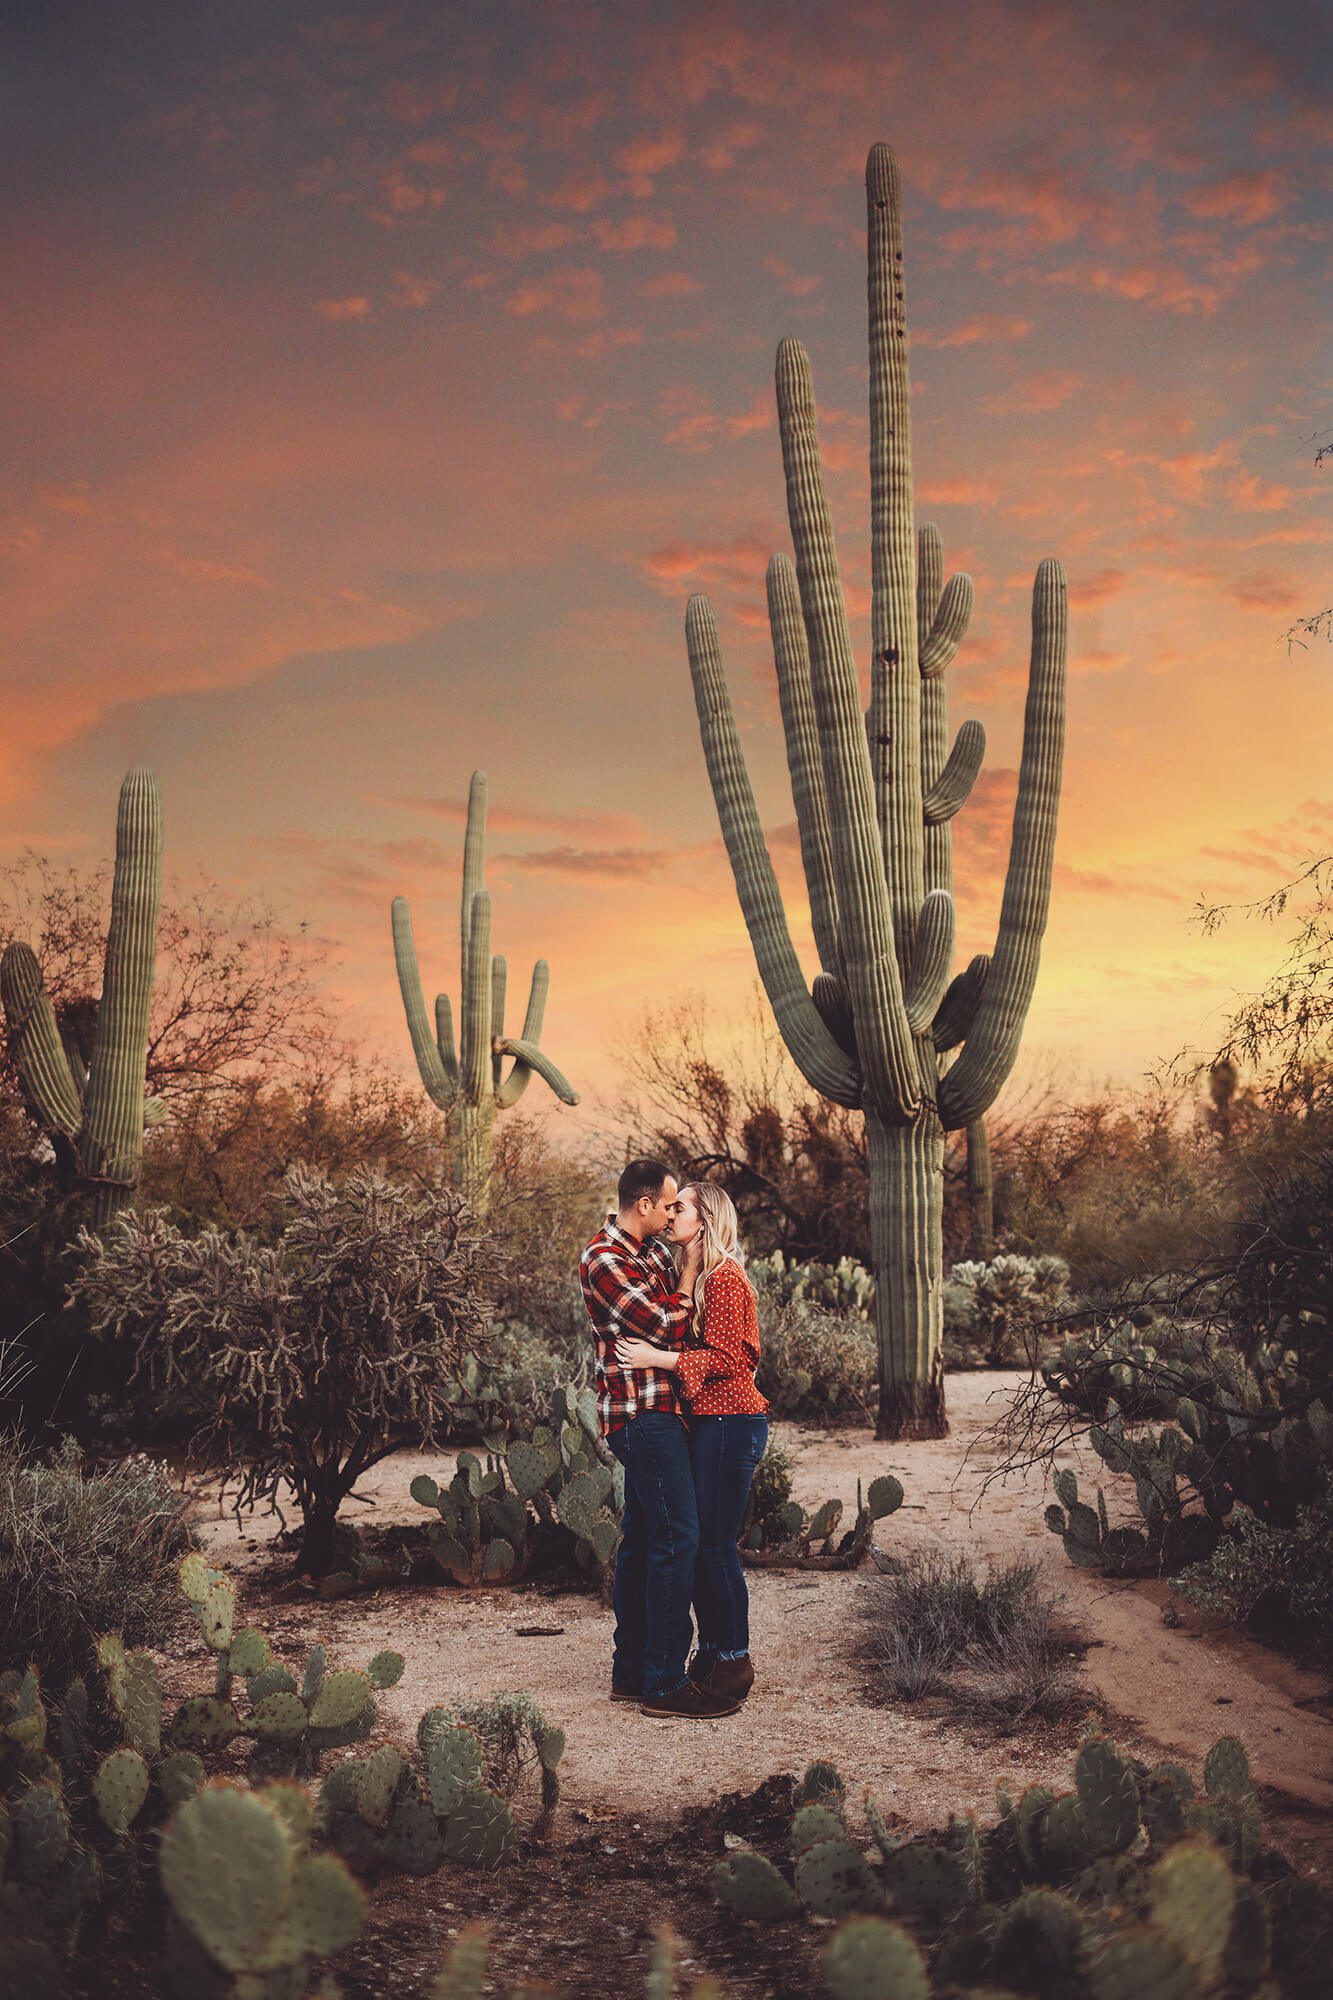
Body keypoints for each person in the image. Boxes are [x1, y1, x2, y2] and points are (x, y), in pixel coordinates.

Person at [580, 1158, 741, 1719]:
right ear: (643, 1205)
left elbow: (677, 1317)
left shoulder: (648, 1251)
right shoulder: (603, 1259)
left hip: (667, 1412)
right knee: (680, 1537)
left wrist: (688, 1274)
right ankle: (664, 1683)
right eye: (670, 1204)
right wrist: (692, 1278)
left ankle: (631, 1673)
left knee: (647, 1541)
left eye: (681, 1206)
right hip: (640, 1415)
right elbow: (664, 1324)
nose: (674, 1212)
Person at [616, 1182, 769, 1707]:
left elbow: (730, 1360)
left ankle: (732, 1660)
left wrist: (658, 1360)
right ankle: (713, 1655)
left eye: (681, 1207)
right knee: (704, 1545)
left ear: (704, 1220)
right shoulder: (701, 1277)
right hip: (713, 1423)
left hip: (731, 1421)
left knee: (716, 1547)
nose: (671, 1213)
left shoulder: (724, 1279)